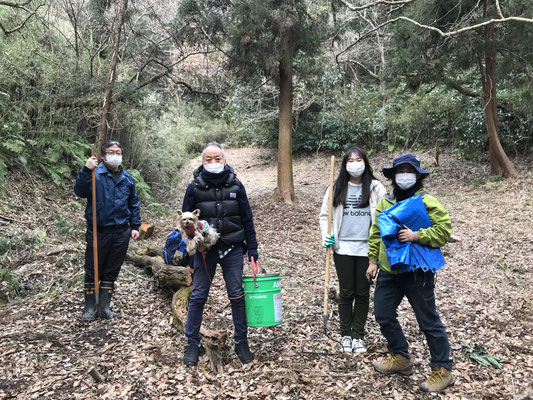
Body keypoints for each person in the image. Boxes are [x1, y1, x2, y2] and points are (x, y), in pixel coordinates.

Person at [366, 153, 454, 393]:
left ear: (417, 175)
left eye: (409, 171)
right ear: (394, 176)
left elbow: (444, 231)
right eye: (400, 171)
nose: (404, 175)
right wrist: (372, 260)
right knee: (383, 314)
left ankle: (443, 369)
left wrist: (417, 235)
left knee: (428, 321)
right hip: (388, 271)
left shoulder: (426, 201)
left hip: (417, 272)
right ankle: (401, 356)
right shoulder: (386, 202)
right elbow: (375, 232)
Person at [182, 142, 259, 367]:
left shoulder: (236, 185)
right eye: (209, 159)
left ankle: (241, 341)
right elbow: (184, 223)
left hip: (233, 248)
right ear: (202, 161)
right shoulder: (194, 187)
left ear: (224, 160)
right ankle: (192, 342)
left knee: (236, 294)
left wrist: (252, 248)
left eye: (217, 159)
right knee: (198, 295)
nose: (213, 163)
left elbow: (247, 218)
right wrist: (188, 253)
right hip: (204, 250)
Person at [319, 146, 386, 354]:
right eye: (351, 160)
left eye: (358, 159)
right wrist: (326, 235)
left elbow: (386, 216)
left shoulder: (376, 188)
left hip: (368, 248)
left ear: (365, 162)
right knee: (347, 293)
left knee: (363, 292)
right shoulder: (336, 188)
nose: (355, 163)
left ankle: (358, 335)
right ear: (345, 164)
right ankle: (345, 335)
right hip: (343, 248)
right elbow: (324, 216)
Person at [74, 140, 141, 322]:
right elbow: (79, 191)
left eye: (119, 152)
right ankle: (89, 308)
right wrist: (86, 170)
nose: (115, 156)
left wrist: (135, 226)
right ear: (103, 155)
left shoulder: (127, 179)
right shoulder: (95, 174)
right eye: (111, 152)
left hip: (121, 232)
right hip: (98, 230)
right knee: (92, 269)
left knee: (111, 270)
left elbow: (133, 203)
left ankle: (104, 307)